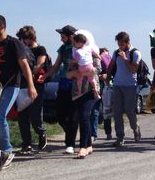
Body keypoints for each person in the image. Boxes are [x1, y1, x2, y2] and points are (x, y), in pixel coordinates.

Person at [0, 15, 37, 171]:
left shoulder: (14, 44)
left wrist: (31, 86)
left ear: (2, 27)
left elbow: (24, 65)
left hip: (10, 86)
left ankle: (7, 150)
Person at [43, 25, 78, 154]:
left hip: (76, 85)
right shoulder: (63, 49)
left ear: (71, 36)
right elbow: (56, 65)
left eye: (63, 36)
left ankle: (70, 144)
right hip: (63, 84)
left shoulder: (78, 48)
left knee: (73, 115)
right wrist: (46, 75)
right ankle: (70, 133)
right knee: (60, 114)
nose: (61, 38)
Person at [67, 30, 102, 159]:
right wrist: (72, 73)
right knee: (82, 117)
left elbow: (99, 69)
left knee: (84, 115)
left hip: (91, 89)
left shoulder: (92, 52)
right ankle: (88, 145)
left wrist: (84, 72)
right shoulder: (75, 54)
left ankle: (82, 146)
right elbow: (68, 73)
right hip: (77, 91)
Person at [16, 26, 48, 154]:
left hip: (37, 85)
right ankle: (27, 144)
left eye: (24, 39)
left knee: (34, 115)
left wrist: (28, 71)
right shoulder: (21, 50)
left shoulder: (40, 49)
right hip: (22, 85)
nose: (22, 41)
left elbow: (40, 64)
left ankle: (41, 132)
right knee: (22, 116)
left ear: (31, 38)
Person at [106, 31, 142, 147]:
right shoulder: (116, 53)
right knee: (117, 112)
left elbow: (133, 69)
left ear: (127, 42)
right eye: (118, 44)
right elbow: (111, 66)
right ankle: (120, 137)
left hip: (131, 86)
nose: (119, 46)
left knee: (130, 111)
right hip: (117, 85)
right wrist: (108, 77)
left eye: (122, 44)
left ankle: (135, 128)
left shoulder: (135, 53)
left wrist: (126, 58)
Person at [71, 33, 99, 98]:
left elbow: (76, 60)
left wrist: (71, 62)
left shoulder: (77, 52)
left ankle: (79, 91)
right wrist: (98, 56)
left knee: (79, 78)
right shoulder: (89, 48)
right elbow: (94, 53)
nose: (74, 44)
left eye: (75, 43)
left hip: (82, 67)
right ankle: (95, 90)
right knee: (92, 79)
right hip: (90, 66)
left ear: (79, 43)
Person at [98, 47, 113, 140]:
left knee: (106, 112)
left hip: (105, 88)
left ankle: (109, 133)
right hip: (110, 87)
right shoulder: (110, 58)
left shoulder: (100, 58)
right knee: (109, 112)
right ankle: (111, 133)